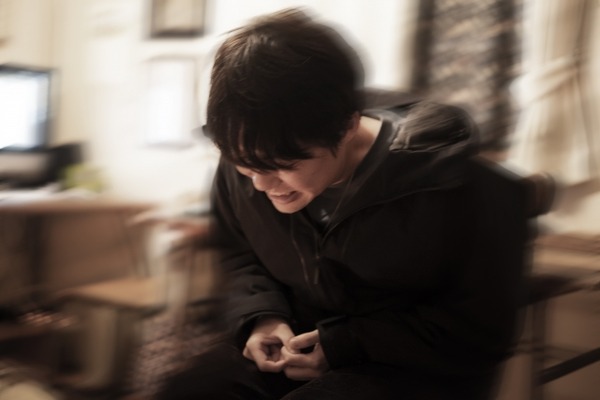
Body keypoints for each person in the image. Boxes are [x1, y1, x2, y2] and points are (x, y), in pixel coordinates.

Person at [158, 8, 531, 400]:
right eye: (244, 166)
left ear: (347, 126)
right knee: (190, 391)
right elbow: (240, 253)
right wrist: (261, 316)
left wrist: (345, 344)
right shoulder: (248, 151)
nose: (261, 184)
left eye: (282, 166)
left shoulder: (461, 185)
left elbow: (482, 331)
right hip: (297, 342)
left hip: (411, 365)